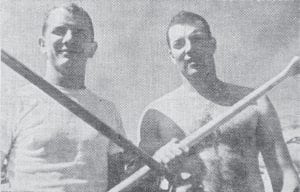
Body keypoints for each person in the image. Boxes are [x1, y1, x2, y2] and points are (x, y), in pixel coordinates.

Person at [138, 11, 299, 192]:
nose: (189, 48)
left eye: (197, 39)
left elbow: (286, 177)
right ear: (171, 55)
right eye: (179, 44)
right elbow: (141, 185)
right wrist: (158, 160)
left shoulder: (255, 102)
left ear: (212, 45)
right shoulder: (157, 115)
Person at [0, 3, 126, 192]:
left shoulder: (107, 110)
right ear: (42, 44)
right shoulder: (14, 103)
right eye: (59, 31)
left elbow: (119, 181)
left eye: (79, 32)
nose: (69, 39)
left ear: (92, 48)